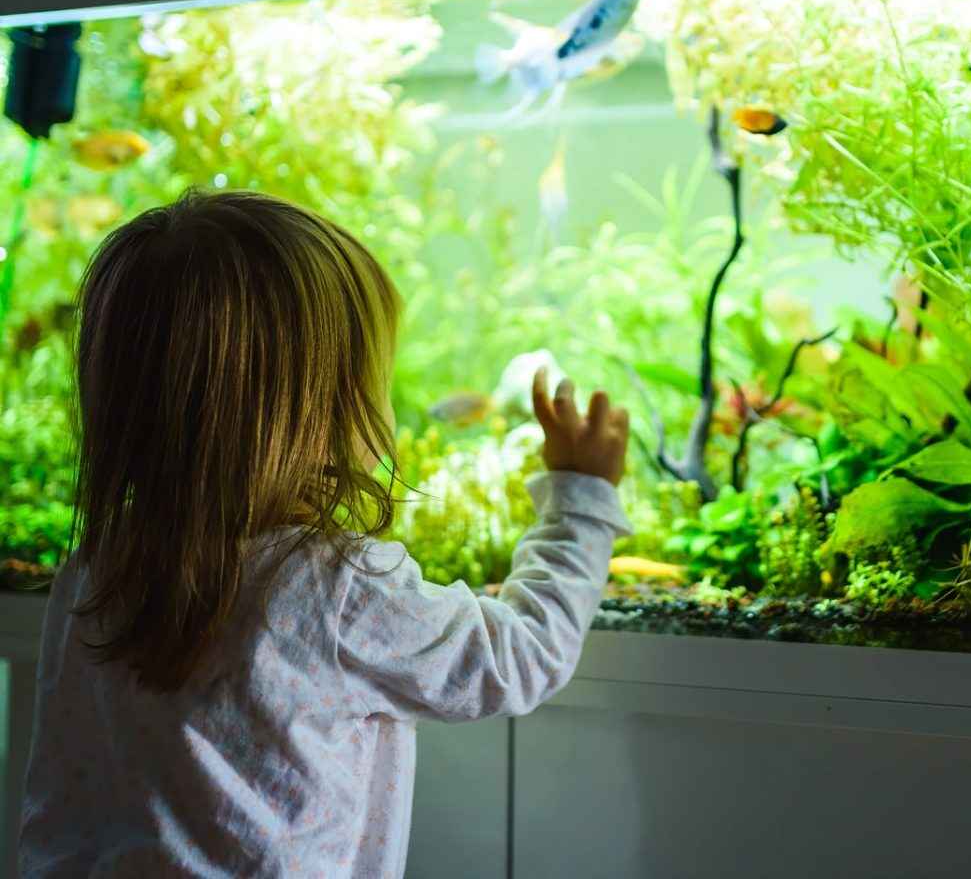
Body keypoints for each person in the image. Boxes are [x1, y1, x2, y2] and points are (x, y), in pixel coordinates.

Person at [18, 190, 631, 877]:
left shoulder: (95, 569)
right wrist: (581, 500)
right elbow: (519, 658)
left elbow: (61, 794)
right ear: (323, 404)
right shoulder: (335, 589)